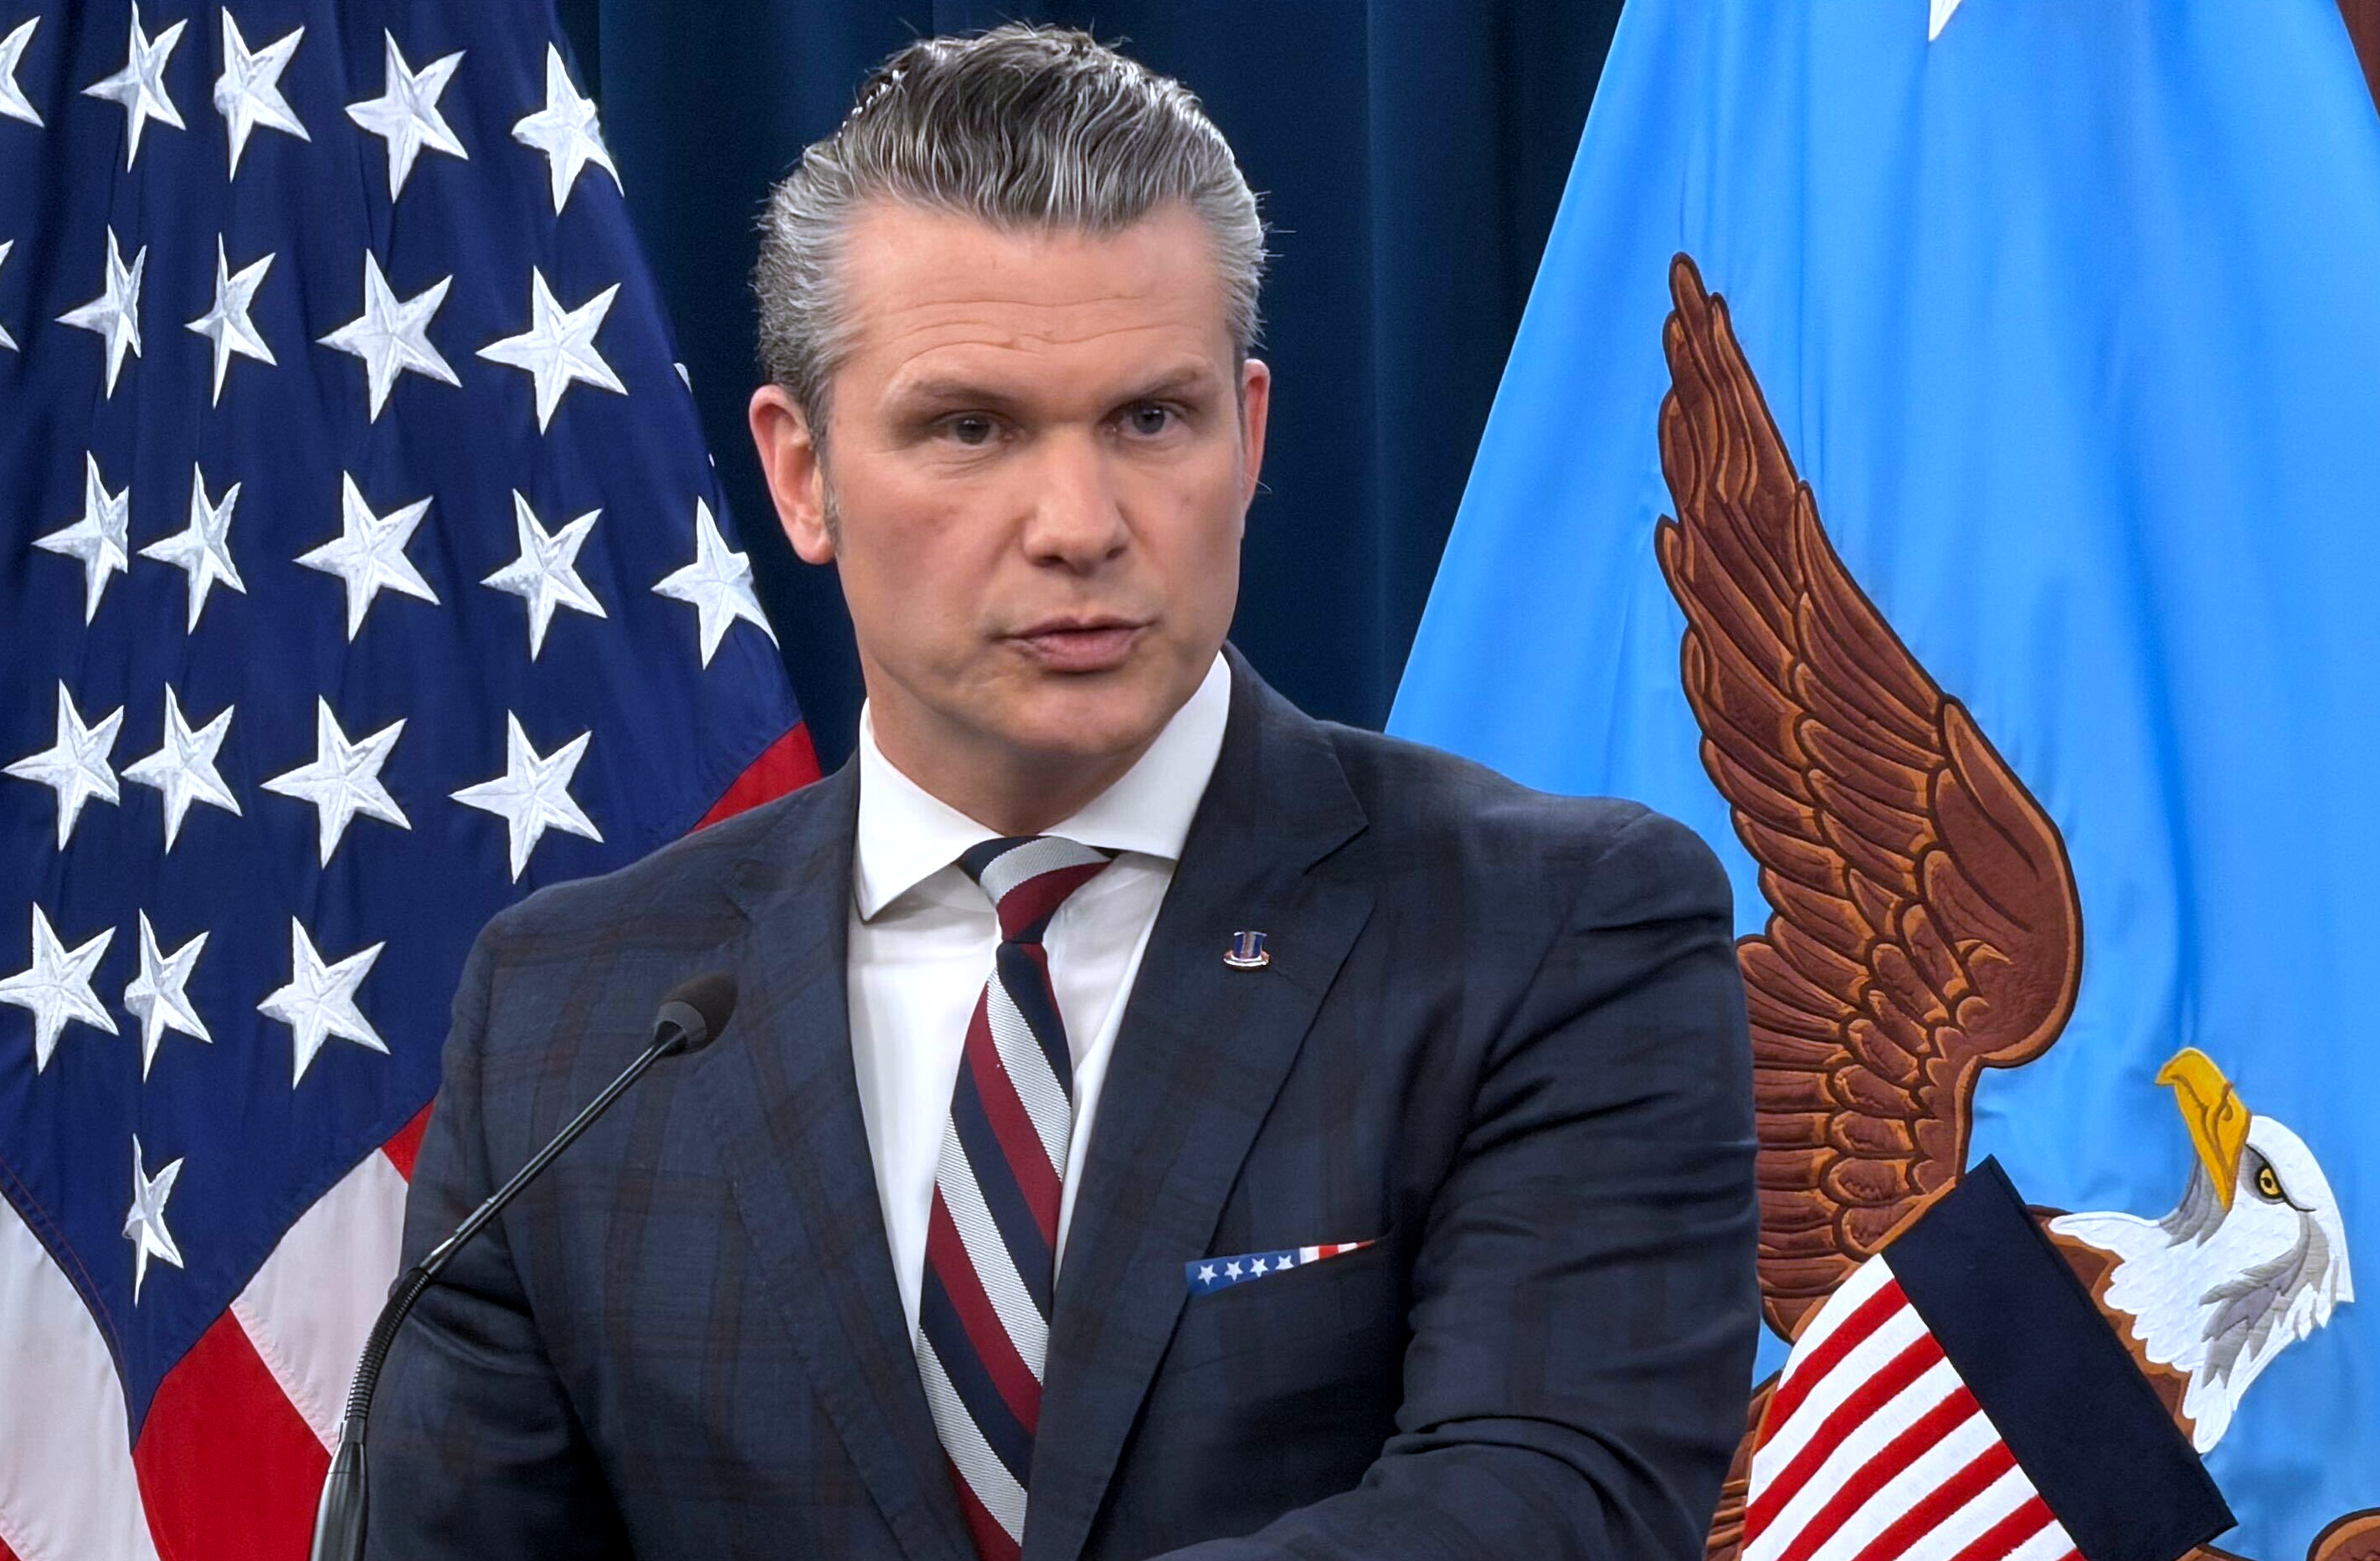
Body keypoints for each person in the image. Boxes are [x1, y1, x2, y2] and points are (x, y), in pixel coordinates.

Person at [367, 24, 1757, 1561]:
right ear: (802, 474)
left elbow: (1546, 1507)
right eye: (971, 428)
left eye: (1151, 419)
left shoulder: (1550, 929)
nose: (1079, 523)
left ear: (1251, 436)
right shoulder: (569, 1020)